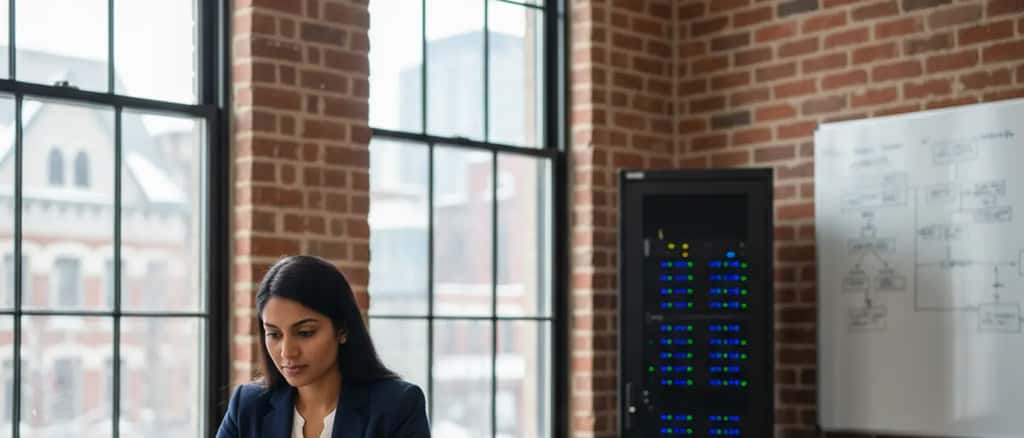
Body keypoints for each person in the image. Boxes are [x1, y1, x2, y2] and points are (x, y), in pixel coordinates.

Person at [216, 255, 430, 438]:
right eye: (274, 334)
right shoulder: (248, 406)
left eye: (305, 333)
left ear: (342, 330)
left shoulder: (398, 406)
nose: (287, 352)